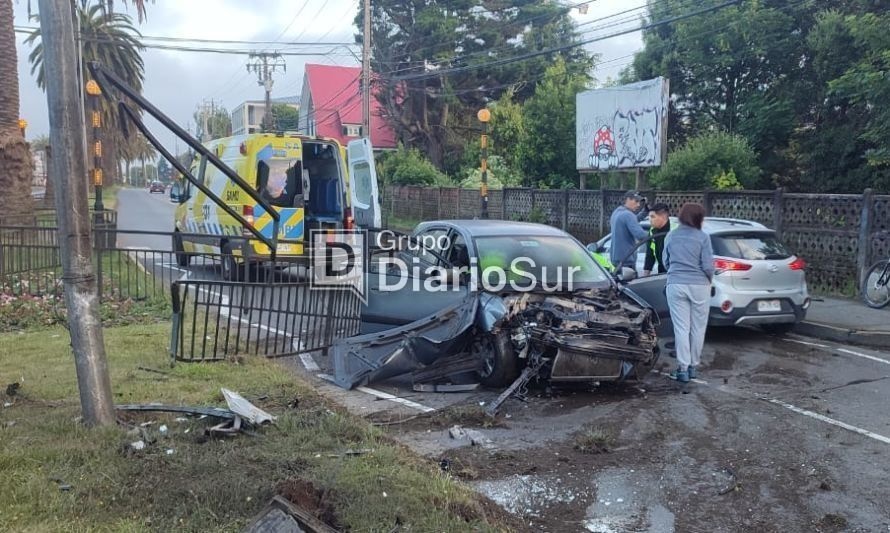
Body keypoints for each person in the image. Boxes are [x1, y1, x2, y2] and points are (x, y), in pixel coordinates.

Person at [663, 203, 715, 383]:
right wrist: (709, 280)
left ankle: (682, 369)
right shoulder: (703, 238)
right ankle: (693, 366)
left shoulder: (671, 235)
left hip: (676, 283)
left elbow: (666, 261)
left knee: (681, 328)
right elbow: (708, 266)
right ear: (699, 218)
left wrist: (675, 272)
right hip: (700, 285)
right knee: (698, 327)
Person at [609, 190, 649, 271]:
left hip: (616, 260)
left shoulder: (617, 212)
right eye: (636, 201)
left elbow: (634, 220)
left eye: (639, 202)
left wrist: (646, 211)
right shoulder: (628, 215)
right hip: (626, 261)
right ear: (628, 199)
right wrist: (656, 233)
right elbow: (640, 235)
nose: (638, 204)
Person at [643, 203, 674, 276]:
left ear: (663, 216)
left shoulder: (675, 230)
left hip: (675, 272)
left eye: (653, 217)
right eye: (649, 217)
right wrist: (645, 276)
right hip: (661, 271)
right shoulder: (652, 231)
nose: (650, 220)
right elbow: (649, 255)